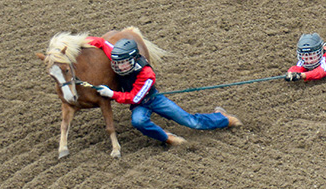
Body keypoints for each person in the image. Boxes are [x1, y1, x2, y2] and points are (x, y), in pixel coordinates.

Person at [90, 38, 240, 147]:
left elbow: (135, 97)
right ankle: (166, 137)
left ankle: (224, 119)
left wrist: (111, 94)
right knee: (138, 121)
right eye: (116, 63)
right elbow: (101, 42)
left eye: (123, 63)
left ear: (133, 59)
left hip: (153, 100)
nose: (119, 67)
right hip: (139, 104)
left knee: (191, 122)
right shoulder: (119, 58)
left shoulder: (146, 74)